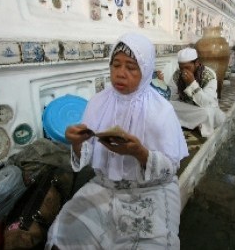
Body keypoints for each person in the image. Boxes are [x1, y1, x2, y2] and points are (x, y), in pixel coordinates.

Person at [45, 32, 189, 249]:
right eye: (116, 65)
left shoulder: (161, 111)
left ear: (146, 70)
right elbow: (87, 152)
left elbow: (170, 170)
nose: (120, 74)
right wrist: (76, 142)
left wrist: (140, 153)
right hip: (104, 186)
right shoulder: (97, 102)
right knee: (64, 233)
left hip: (148, 190)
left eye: (131, 67)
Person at [167, 47, 225, 137]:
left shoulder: (209, 75)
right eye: (181, 67)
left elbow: (205, 103)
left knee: (207, 113)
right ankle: (194, 124)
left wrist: (192, 84)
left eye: (187, 67)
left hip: (204, 108)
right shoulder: (177, 74)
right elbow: (172, 97)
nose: (183, 71)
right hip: (187, 108)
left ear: (197, 63)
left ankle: (189, 123)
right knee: (168, 105)